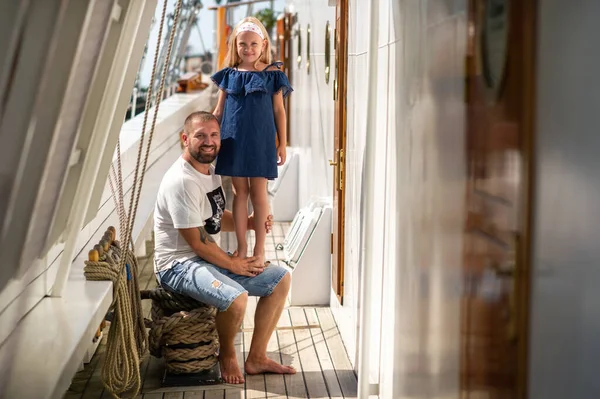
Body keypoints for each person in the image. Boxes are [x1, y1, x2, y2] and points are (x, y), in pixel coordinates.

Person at [153, 111, 296, 384]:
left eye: (214, 135)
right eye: (200, 136)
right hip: (178, 265)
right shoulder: (182, 182)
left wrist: (252, 223)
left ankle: (256, 358)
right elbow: (196, 241)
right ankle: (228, 355)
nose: (209, 142)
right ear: (185, 139)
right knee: (235, 297)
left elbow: (215, 217)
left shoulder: (209, 171)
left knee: (279, 280)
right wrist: (233, 264)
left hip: (205, 258)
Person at [211, 17, 293, 268]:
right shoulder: (229, 75)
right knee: (239, 194)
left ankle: (259, 249)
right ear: (235, 45)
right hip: (233, 140)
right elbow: (218, 111)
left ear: (264, 44)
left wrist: (282, 143)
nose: (248, 49)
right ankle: (241, 247)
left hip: (260, 142)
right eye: (242, 44)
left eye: (253, 44)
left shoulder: (273, 74)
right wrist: (209, 140)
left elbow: (279, 111)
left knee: (259, 195)